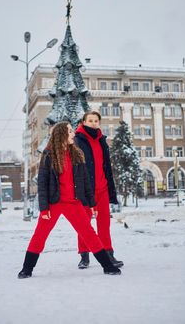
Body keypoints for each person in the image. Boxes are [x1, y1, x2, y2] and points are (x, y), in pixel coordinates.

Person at [18, 122, 121, 278]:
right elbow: (42, 183)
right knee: (40, 234)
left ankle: (107, 266)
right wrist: (44, 208)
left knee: (89, 233)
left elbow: (86, 181)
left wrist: (92, 203)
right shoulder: (49, 154)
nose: (73, 134)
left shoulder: (76, 154)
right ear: (62, 134)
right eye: (70, 131)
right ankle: (27, 269)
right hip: (54, 203)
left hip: (74, 202)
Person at [75, 111, 124, 269]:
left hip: (102, 188)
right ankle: (84, 256)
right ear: (84, 122)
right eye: (90, 120)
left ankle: (108, 254)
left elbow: (106, 165)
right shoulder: (77, 140)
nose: (94, 123)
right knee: (85, 223)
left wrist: (110, 187)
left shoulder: (102, 140)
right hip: (86, 191)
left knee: (104, 223)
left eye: (96, 120)